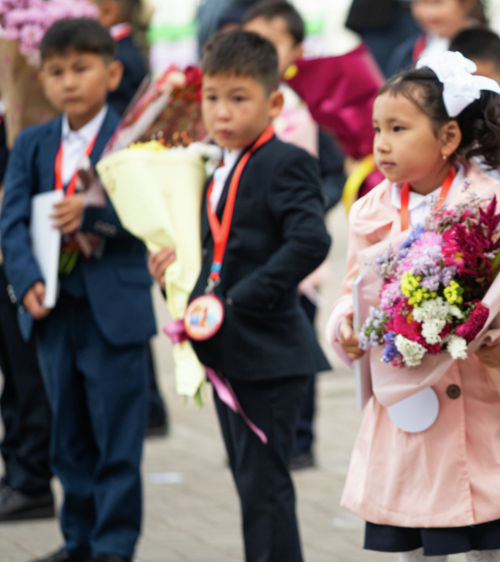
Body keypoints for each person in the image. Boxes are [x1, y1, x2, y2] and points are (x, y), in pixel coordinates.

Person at [327, 51, 500, 561]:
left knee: (486, 538)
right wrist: (346, 324)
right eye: (376, 129)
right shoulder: (371, 209)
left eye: (399, 129)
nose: (381, 144)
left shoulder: (494, 202)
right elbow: (352, 287)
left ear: (448, 137)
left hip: (478, 400)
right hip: (406, 402)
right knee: (411, 532)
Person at [149, 30, 331, 562]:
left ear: (273, 103)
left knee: (265, 487)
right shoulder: (216, 165)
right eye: (211, 97)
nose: (221, 112)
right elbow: (217, 255)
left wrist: (240, 299)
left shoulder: (284, 161)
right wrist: (172, 274)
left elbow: (311, 240)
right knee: (250, 484)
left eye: (238, 98)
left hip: (270, 352)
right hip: (232, 347)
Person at [0, 18, 155, 562]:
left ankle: (113, 545)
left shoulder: (134, 140)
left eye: (82, 68)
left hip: (114, 310)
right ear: (41, 80)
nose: (69, 81)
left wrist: (95, 214)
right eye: (57, 71)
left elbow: (152, 217)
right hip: (52, 309)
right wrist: (27, 282)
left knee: (116, 436)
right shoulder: (33, 143)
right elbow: (12, 218)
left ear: (112, 73)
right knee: (67, 435)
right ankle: (78, 540)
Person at [242, 0, 345, 471]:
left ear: (295, 51)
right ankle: (263, 433)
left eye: (271, 42)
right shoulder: (240, 107)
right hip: (250, 257)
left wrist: (311, 211)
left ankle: (300, 439)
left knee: (298, 347)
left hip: (296, 260)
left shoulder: (297, 111)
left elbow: (329, 173)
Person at [96, 0, 170, 438]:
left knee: (126, 306)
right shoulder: (126, 48)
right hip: (123, 198)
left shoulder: (120, 55)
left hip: (120, 198)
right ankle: (151, 406)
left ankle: (149, 406)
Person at [0, 106, 54, 524]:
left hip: (23, 261)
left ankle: (32, 478)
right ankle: (17, 469)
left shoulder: (31, 122)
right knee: (12, 375)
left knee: (26, 373)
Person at [386, 0, 488, 75]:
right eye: (420, 2)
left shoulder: (486, 48)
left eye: (437, 2)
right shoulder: (408, 53)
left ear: (467, 3)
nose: (429, 13)